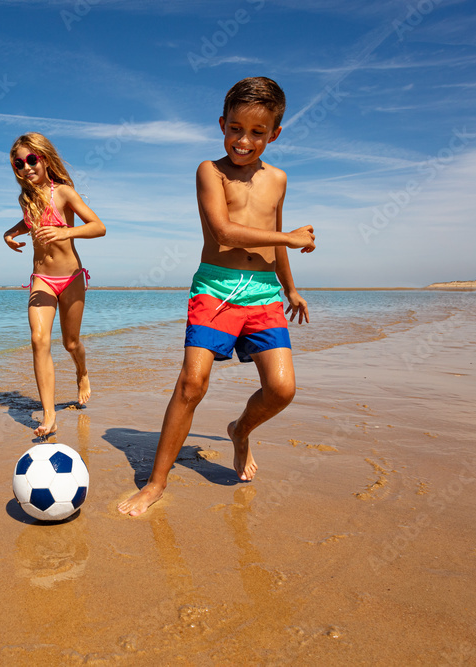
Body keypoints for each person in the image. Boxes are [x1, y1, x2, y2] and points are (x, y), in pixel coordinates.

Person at [118, 77, 316, 516]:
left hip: (264, 293)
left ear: (275, 134)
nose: (244, 141)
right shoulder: (210, 170)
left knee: (282, 389)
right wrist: (291, 236)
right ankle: (155, 482)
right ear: (222, 124)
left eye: (257, 132)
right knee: (192, 383)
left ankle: (239, 430)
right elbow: (224, 232)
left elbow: (277, 244)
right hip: (217, 290)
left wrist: (291, 288)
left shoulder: (279, 179)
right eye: (235, 129)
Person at [3, 133, 107, 438]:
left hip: (71, 278)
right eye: (19, 163)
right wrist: (10, 233)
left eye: (32, 159)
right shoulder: (26, 198)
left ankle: (82, 372)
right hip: (42, 280)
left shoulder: (63, 193)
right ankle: (49, 416)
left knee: (70, 343)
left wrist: (65, 234)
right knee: (39, 340)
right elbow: (29, 221)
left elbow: (99, 227)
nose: (26, 167)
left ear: (45, 159)